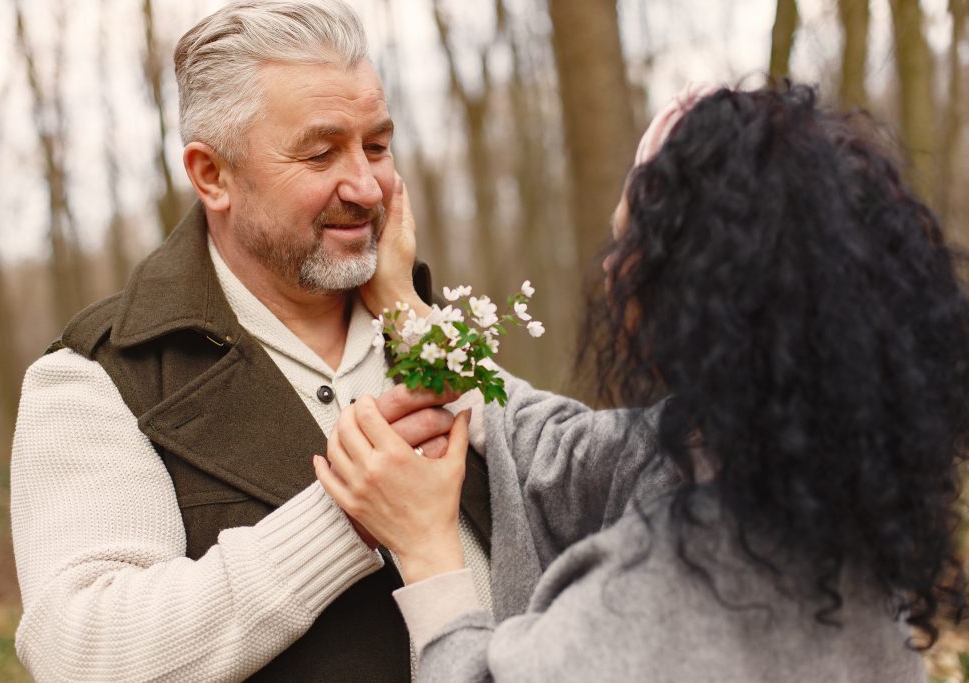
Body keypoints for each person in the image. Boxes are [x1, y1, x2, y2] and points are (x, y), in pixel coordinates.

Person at [315, 83, 969, 681]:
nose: (610, 276)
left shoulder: (675, 588)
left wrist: (427, 550)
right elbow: (565, 448)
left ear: (700, 288)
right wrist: (407, 307)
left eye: (629, 247)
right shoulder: (806, 464)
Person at [9, 1, 492, 680]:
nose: (365, 186)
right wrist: (347, 514)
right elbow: (84, 650)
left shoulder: (432, 330)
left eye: (377, 146)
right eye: (321, 153)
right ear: (212, 175)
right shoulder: (97, 380)